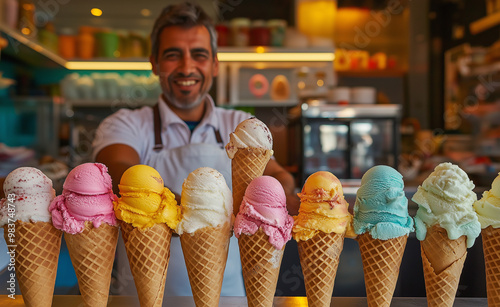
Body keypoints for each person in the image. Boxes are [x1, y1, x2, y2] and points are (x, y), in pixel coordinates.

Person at [92, 1, 299, 297]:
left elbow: (278, 176)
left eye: (199, 55)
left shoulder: (241, 125)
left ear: (214, 64)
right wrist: (202, 209)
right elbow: (119, 172)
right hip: (141, 298)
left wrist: (278, 195)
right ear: (154, 63)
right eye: (173, 55)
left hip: (230, 297)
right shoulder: (126, 123)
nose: (187, 67)